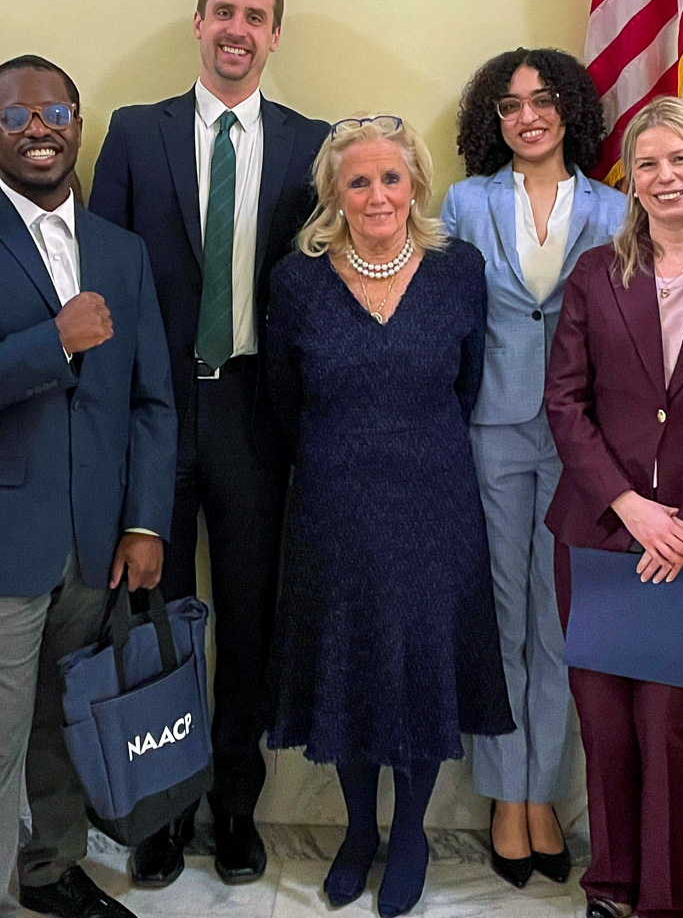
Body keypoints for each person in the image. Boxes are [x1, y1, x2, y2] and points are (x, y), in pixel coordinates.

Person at [0, 54, 174, 918]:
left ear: (78, 123)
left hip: (98, 542)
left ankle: (53, 871)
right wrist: (50, 342)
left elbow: (152, 402)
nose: (39, 128)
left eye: (55, 111)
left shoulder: (122, 254)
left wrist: (146, 523)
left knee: (66, 726)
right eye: (16, 117)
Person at [90, 0, 329, 889]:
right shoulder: (135, 135)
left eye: (257, 16)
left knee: (247, 613)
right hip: (156, 404)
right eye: (223, 11)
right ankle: (161, 807)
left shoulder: (312, 143)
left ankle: (235, 804)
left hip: (254, 408)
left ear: (274, 36)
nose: (238, 28)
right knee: (146, 610)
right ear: (198, 24)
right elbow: (103, 278)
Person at [263, 114, 513, 918]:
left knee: (420, 663)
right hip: (332, 501)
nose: (377, 194)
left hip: (434, 499)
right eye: (359, 180)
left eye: (392, 178)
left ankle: (410, 834)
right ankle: (357, 832)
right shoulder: (296, 280)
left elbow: (468, 382)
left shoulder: (458, 269)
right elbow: (280, 398)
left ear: (417, 187)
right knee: (348, 659)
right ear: (335, 192)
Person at [544, 96, 683, 918]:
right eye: (647, 164)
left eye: (680, 159)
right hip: (602, 534)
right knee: (604, 722)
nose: (664, 175)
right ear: (629, 182)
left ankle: (672, 901)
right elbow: (565, 403)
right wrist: (630, 506)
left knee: (672, 726)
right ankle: (610, 885)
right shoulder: (596, 274)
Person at [439, 47, 624, 888]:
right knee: (500, 615)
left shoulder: (618, 208)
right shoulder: (465, 202)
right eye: (510, 105)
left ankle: (543, 792)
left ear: (568, 111)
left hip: (584, 436)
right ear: (494, 120)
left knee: (559, 624)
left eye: (543, 100)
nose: (528, 116)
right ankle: (503, 795)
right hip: (490, 424)